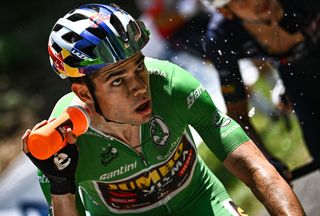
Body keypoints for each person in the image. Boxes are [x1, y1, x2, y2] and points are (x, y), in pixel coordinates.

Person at [21, 3, 305, 216]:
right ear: (84, 92)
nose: (139, 87)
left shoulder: (170, 84)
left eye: (138, 67)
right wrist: (61, 186)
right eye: (117, 79)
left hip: (202, 204)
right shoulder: (61, 140)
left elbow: (256, 169)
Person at [202, 0, 320, 173]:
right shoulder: (221, 37)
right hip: (296, 75)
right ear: (225, 11)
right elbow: (238, 115)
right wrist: (266, 164)